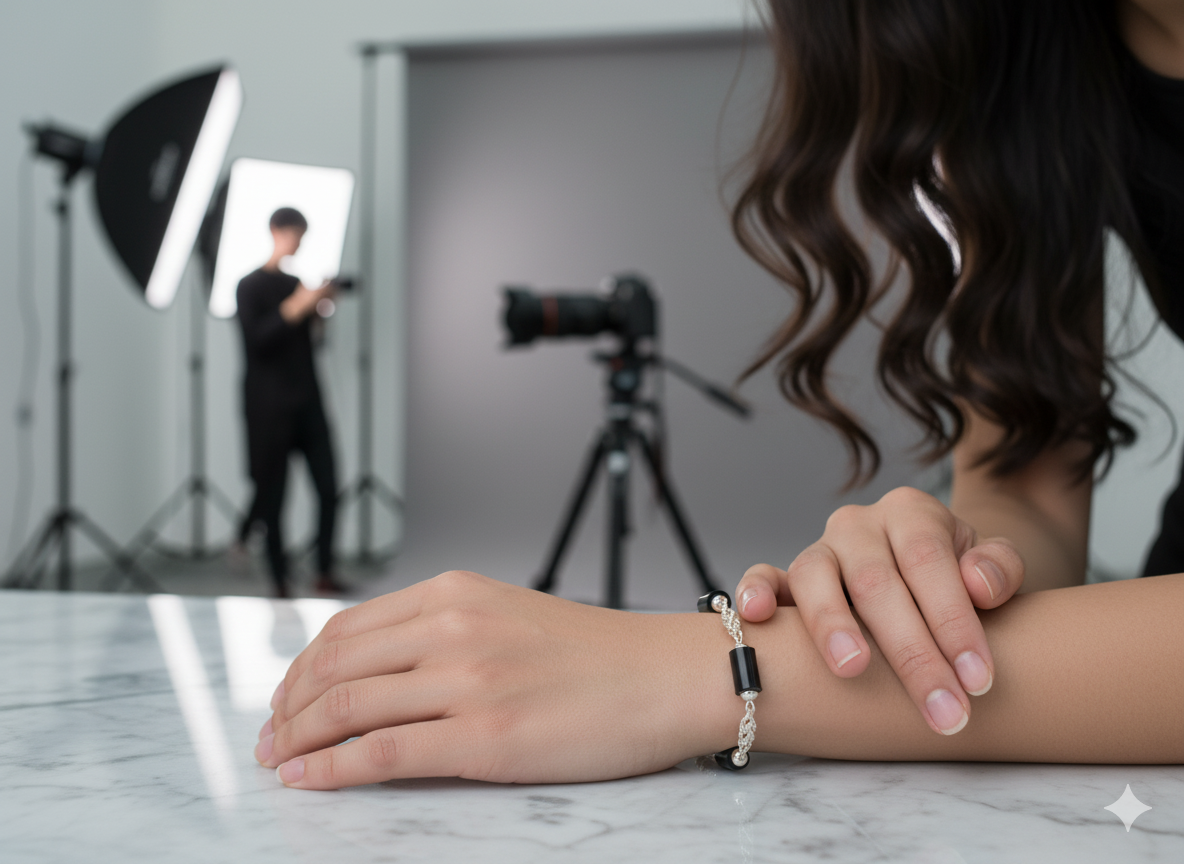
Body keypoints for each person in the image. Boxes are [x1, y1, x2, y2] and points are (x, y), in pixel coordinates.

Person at [253, 0, 1184, 788]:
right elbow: (1026, 486)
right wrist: (945, 575)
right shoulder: (1037, 54)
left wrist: (700, 673)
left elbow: (704, 678)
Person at [236, 207, 344, 598]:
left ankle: (325, 571)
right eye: (294, 234)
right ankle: (279, 580)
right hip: (269, 407)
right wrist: (297, 307)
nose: (298, 243)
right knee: (273, 496)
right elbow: (259, 341)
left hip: (308, 401)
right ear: (276, 231)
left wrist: (319, 310)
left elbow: (309, 342)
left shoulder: (298, 283)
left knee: (330, 488)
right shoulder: (248, 287)